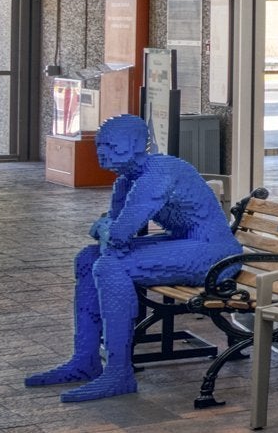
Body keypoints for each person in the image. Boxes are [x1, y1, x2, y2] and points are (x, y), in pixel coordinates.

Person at [27, 114, 234, 402]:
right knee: (88, 259)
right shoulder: (127, 181)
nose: (102, 152)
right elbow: (112, 229)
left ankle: (118, 372)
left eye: (111, 145)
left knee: (110, 266)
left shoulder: (159, 172)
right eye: (100, 145)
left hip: (214, 254)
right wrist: (106, 230)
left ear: (136, 144)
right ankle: (84, 360)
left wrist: (104, 230)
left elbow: (117, 233)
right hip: (185, 245)